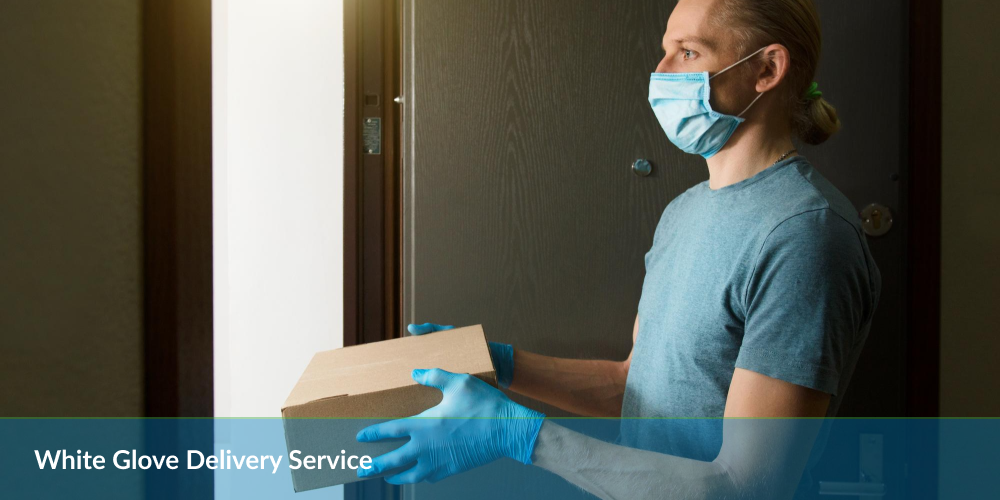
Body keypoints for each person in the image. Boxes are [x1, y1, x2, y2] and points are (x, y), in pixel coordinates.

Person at [356, 0, 881, 498]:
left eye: (689, 51)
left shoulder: (804, 235)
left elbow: (748, 487)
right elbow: (635, 387)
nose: (662, 70)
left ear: (767, 69)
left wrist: (518, 435)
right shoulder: (686, 211)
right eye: (666, 48)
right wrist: (502, 364)